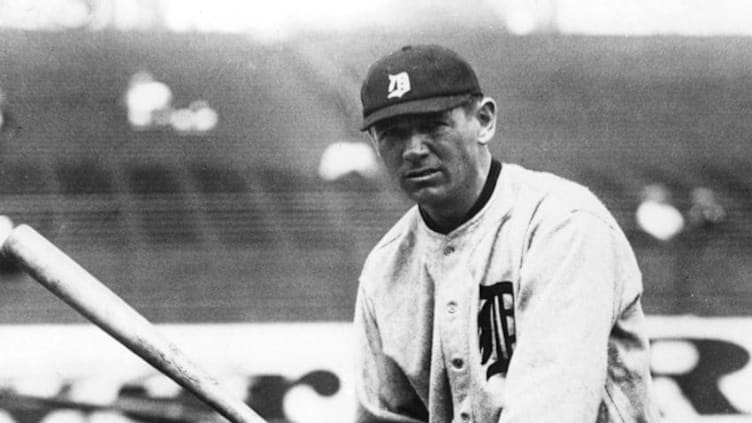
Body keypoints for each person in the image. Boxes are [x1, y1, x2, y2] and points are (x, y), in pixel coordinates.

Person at [353, 44, 658, 423]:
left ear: (484, 121)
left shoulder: (562, 224)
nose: (413, 149)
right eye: (392, 133)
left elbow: (552, 411)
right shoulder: (384, 270)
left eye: (434, 125)